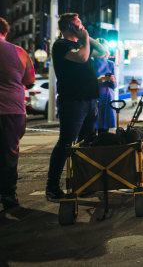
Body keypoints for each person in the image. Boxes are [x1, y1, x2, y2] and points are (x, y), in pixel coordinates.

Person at [45, 13, 107, 202]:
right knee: (66, 144)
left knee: (86, 144)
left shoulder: (82, 44)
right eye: (78, 24)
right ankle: (52, 187)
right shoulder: (61, 45)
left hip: (89, 101)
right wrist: (84, 39)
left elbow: (103, 51)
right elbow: (82, 58)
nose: (82, 26)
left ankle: (84, 183)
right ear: (69, 27)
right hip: (73, 102)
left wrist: (87, 37)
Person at [0, 18, 35, 210]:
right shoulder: (19, 52)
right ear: (5, 31)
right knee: (9, 153)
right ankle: (8, 195)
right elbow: (29, 80)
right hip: (12, 110)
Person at [93, 39, 116, 134]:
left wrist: (112, 80)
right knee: (91, 129)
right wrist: (98, 80)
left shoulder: (110, 64)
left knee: (104, 130)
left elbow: (114, 86)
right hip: (94, 98)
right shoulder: (90, 62)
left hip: (107, 98)